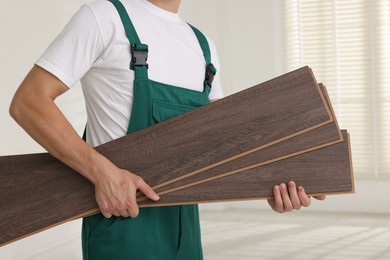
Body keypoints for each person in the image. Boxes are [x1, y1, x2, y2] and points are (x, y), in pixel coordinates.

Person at [9, 0, 325, 259]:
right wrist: (102, 172)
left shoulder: (204, 46)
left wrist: (271, 185)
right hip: (122, 220)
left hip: (186, 228)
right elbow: (28, 103)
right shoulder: (104, 17)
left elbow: (221, 145)